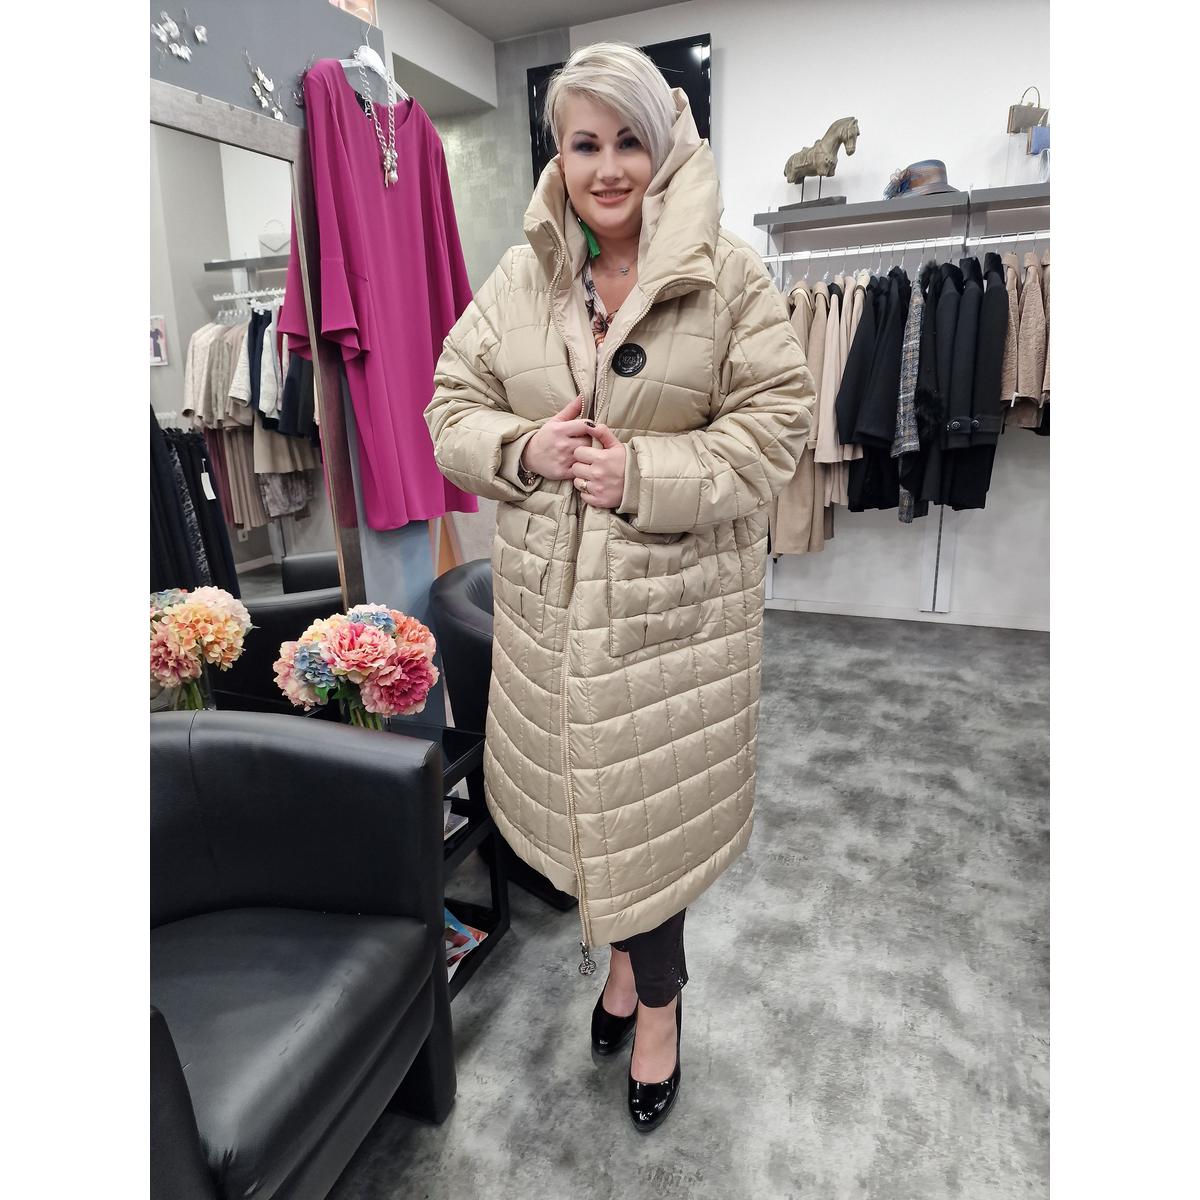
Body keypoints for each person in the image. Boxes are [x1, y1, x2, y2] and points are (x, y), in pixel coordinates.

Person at [424, 42, 815, 1132]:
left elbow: (779, 426)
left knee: (654, 822)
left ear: (665, 146)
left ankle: (659, 1007)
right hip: (553, 622)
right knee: (600, 818)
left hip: (674, 624)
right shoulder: (522, 279)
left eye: (629, 141)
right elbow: (450, 406)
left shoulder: (727, 276)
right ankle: (626, 974)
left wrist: (644, 473)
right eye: (583, 143)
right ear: (557, 154)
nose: (607, 168)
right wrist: (522, 448)